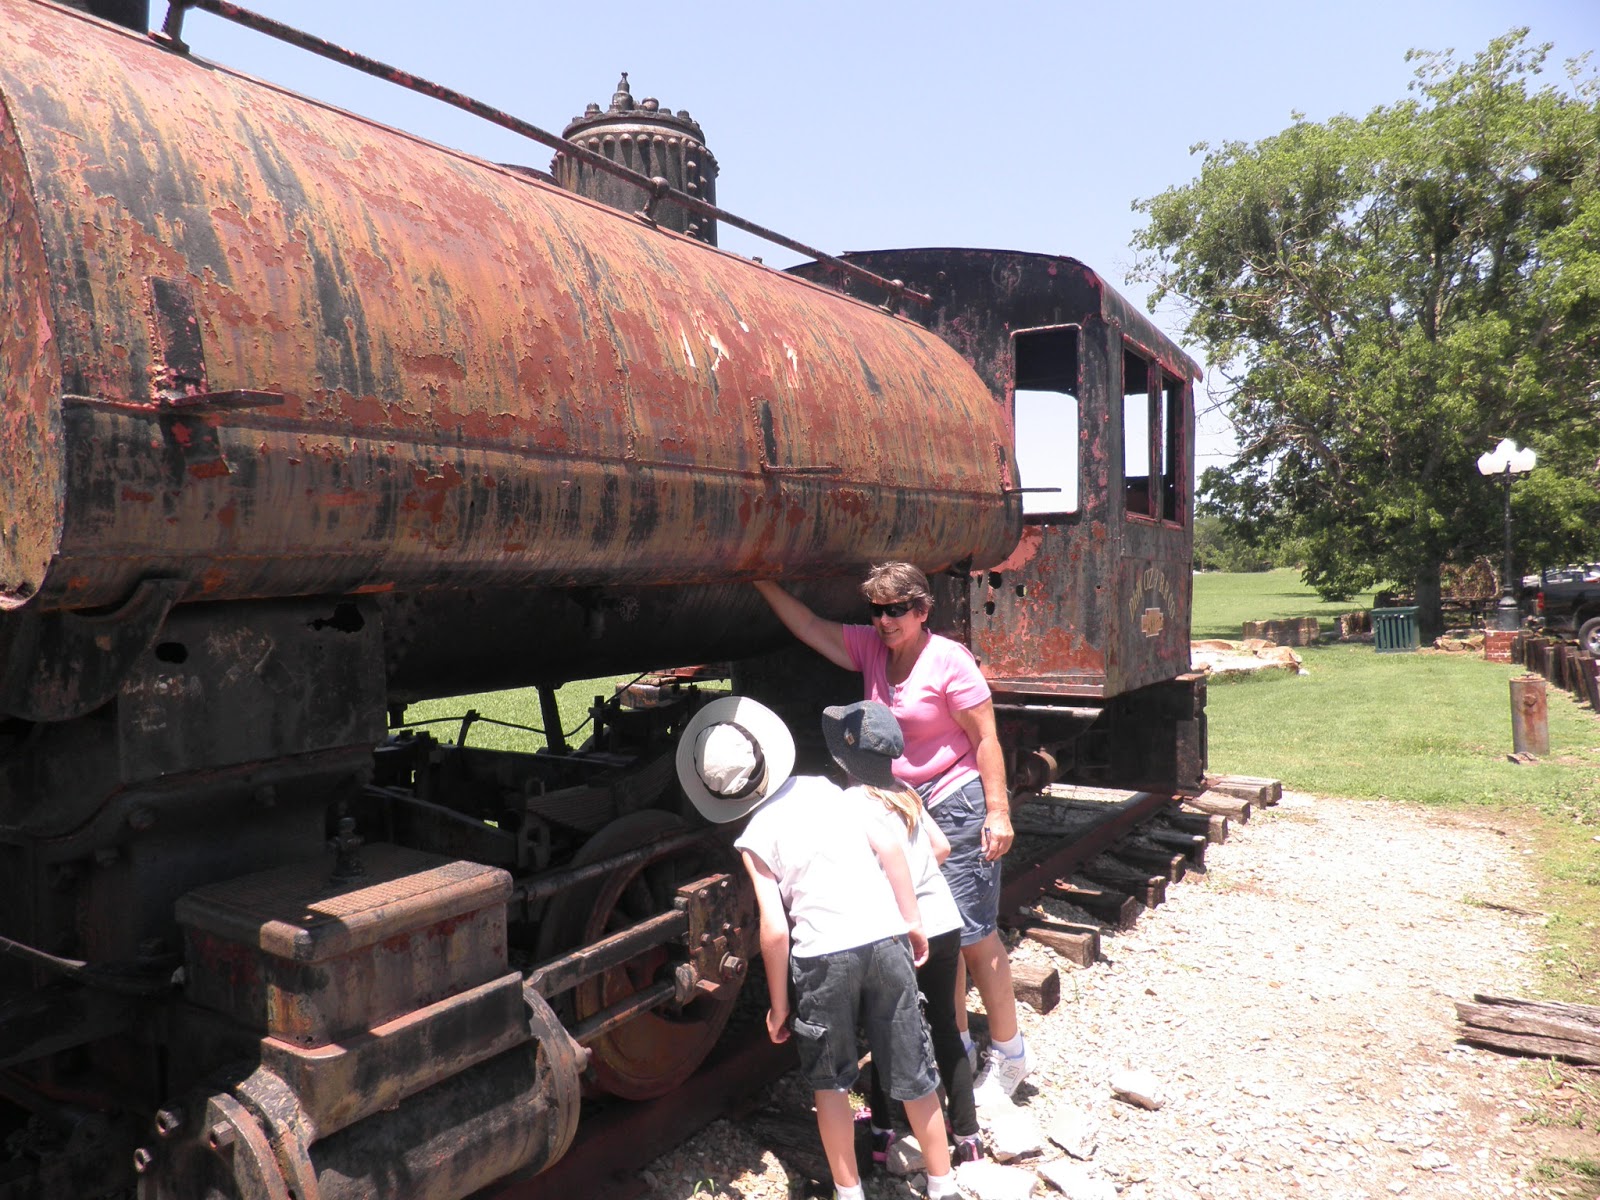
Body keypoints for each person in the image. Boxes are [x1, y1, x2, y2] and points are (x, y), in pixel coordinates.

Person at [754, 565, 1033, 1105]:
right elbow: (809, 626)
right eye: (877, 611)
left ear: (922, 611)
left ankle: (1010, 1054)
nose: (884, 621)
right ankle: (957, 1050)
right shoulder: (871, 649)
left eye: (896, 611)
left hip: (954, 800)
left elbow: (986, 738)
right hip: (901, 807)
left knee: (974, 936)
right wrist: (761, 579)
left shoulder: (949, 660)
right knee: (938, 938)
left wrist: (998, 812)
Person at [675, 695, 962, 1200]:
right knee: (915, 1074)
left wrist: (779, 1006)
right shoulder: (828, 789)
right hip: (885, 940)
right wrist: (912, 923)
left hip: (822, 959)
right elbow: (891, 850)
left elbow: (775, 930)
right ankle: (943, 1186)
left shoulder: (755, 836)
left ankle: (850, 1193)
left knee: (831, 1085)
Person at [821, 700, 983, 1165]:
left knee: (887, 1025)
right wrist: (918, 875)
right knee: (946, 1027)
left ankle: (882, 1130)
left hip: (899, 930)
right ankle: (967, 1135)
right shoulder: (905, 791)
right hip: (944, 921)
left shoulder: (851, 803)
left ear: (845, 759)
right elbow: (942, 846)